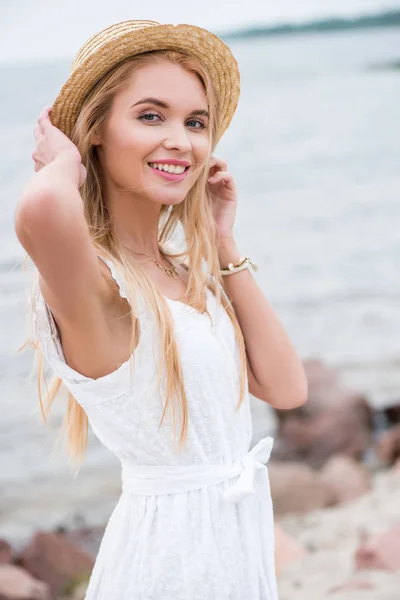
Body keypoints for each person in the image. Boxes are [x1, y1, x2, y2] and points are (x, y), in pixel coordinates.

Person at [15, 20, 307, 600]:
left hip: (231, 547)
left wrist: (224, 244)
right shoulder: (99, 283)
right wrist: (62, 165)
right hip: (166, 564)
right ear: (97, 130)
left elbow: (288, 388)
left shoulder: (180, 271)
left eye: (195, 122)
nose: (181, 139)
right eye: (151, 116)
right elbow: (42, 209)